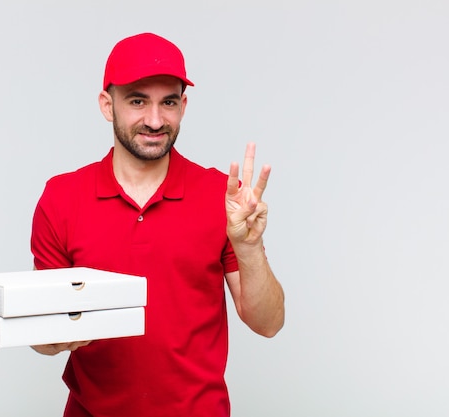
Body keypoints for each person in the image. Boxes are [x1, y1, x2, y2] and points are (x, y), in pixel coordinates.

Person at [30, 32, 285, 417]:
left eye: (168, 102)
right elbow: (42, 338)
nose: (154, 120)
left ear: (183, 105)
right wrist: (58, 334)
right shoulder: (62, 198)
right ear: (106, 105)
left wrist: (248, 247)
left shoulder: (222, 196)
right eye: (137, 101)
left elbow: (269, 323)